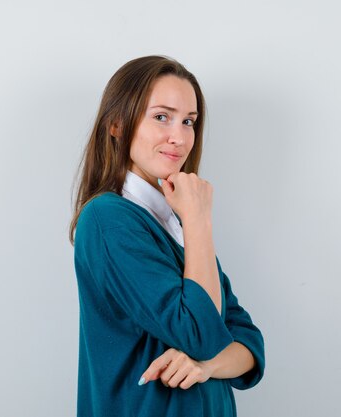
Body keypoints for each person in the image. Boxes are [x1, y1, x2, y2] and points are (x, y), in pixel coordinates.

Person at [69, 55, 265, 417]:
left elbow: (249, 344)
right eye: (162, 117)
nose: (180, 137)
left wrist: (206, 366)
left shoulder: (173, 223)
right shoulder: (109, 219)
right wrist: (199, 219)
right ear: (116, 123)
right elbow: (202, 335)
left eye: (189, 121)